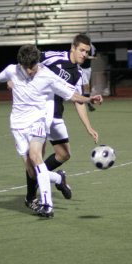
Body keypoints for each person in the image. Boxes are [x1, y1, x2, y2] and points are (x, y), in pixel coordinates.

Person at [0, 43, 102, 219]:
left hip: (39, 121)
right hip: (18, 125)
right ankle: (58, 179)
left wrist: (90, 100)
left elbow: (72, 95)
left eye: (33, 67)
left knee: (36, 157)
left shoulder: (48, 76)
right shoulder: (12, 70)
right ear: (21, 63)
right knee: (32, 171)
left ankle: (46, 205)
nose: (29, 72)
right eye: (26, 68)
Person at [24, 33, 99, 208]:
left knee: (64, 154)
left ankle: (58, 178)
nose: (84, 55)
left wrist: (89, 127)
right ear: (72, 47)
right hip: (38, 115)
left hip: (56, 115)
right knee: (35, 159)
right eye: (81, 50)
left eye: (86, 52)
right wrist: (20, 75)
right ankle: (30, 197)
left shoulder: (79, 73)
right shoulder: (53, 56)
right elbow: (30, 58)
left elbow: (78, 100)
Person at [81, 41, 97, 111]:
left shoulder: (91, 47)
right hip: (80, 68)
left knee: (86, 87)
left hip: (88, 69)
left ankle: (86, 102)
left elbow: (95, 57)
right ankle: (88, 103)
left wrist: (87, 57)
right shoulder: (79, 46)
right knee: (86, 85)